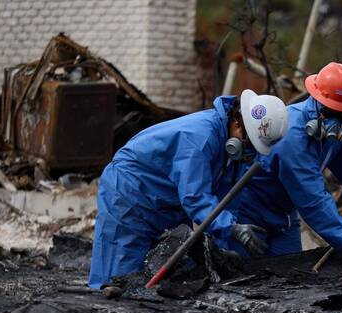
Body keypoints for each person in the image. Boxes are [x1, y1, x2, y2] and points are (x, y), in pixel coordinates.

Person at [88, 90, 288, 289]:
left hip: (166, 200)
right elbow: (195, 198)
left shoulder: (227, 146)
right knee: (120, 272)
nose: (249, 151)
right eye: (249, 142)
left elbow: (223, 198)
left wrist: (222, 244)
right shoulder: (199, 139)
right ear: (237, 123)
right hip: (130, 193)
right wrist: (231, 228)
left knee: (171, 268)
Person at [232, 62, 342, 267]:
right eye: (332, 111)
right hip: (250, 210)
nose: (339, 120)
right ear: (317, 101)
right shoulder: (290, 135)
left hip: (286, 216)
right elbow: (312, 198)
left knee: (289, 276)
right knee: (245, 277)